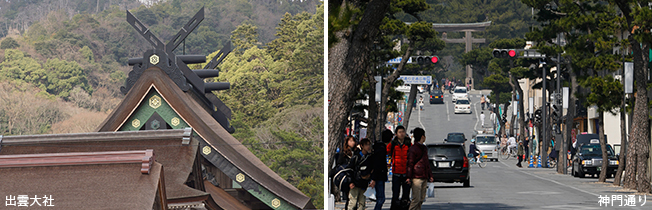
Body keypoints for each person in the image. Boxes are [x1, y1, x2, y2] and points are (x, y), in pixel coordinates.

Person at [406, 128, 433, 210]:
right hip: (416, 177)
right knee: (416, 199)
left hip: (424, 175)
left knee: (421, 199)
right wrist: (408, 177)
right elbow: (410, 164)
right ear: (422, 137)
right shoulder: (413, 149)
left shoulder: (424, 148)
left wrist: (430, 175)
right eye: (424, 136)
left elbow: (426, 163)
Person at [386, 126, 412, 209]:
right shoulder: (393, 144)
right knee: (395, 195)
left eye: (403, 132)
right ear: (396, 134)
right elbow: (386, 152)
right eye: (400, 132)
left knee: (406, 196)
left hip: (406, 173)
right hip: (396, 173)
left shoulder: (408, 144)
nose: (401, 134)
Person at [347, 138, 374, 210]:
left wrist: (370, 178)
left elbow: (372, 169)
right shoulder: (356, 157)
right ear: (362, 146)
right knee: (353, 202)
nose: (368, 146)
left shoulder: (370, 157)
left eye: (369, 145)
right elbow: (350, 170)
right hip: (355, 182)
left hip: (364, 183)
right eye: (366, 145)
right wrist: (350, 181)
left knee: (362, 203)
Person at [370, 130, 393, 210]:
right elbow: (378, 164)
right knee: (381, 198)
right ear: (391, 139)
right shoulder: (382, 149)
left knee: (380, 198)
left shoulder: (378, 147)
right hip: (379, 176)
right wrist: (374, 179)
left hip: (378, 175)